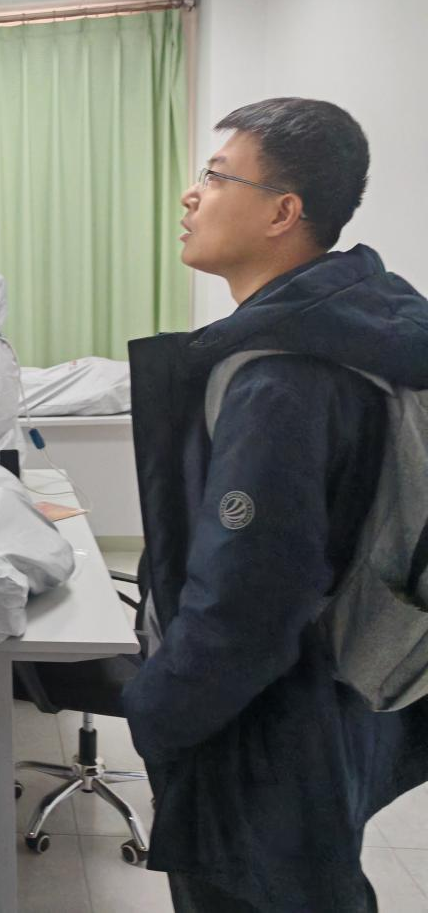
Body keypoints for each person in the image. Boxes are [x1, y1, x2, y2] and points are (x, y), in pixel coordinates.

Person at [122, 98, 428, 912]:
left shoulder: (281, 379)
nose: (191, 194)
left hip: (263, 736)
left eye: (217, 176)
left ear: (283, 213)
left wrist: (153, 708)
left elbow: (245, 609)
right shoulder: (363, 327)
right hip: (338, 702)